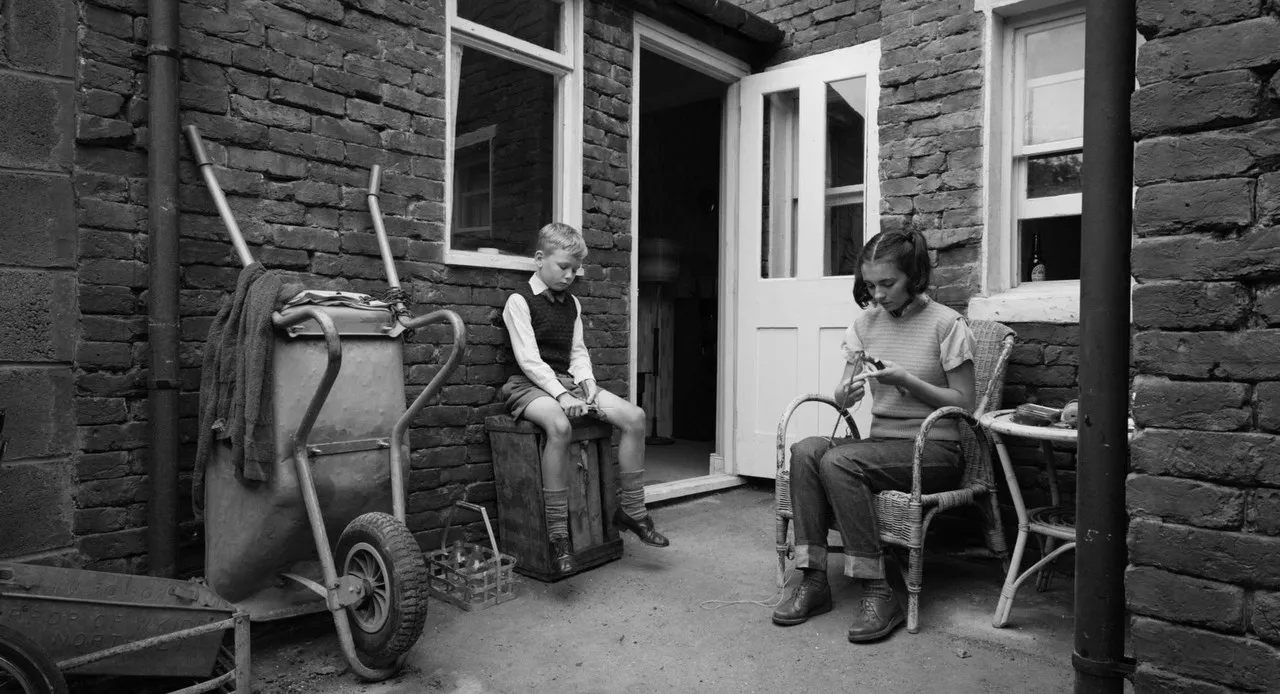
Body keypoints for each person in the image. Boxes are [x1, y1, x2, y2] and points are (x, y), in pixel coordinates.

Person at [771, 229, 977, 643]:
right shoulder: (865, 325)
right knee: (806, 450)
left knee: (839, 460)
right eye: (870, 285)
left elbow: (965, 404)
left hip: (934, 450)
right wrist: (845, 393)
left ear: (914, 276)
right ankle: (813, 579)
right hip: (881, 447)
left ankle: (879, 590)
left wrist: (907, 381)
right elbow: (843, 393)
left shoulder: (947, 324)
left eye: (888, 283)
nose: (878, 295)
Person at [500, 222, 670, 575]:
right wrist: (562, 395)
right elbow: (529, 360)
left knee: (635, 417)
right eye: (563, 266)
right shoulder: (519, 301)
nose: (569, 275)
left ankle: (633, 511)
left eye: (575, 270)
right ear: (539, 259)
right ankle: (558, 535)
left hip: (568, 383)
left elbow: (577, 352)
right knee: (559, 427)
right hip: (528, 385)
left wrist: (587, 384)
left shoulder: (572, 304)